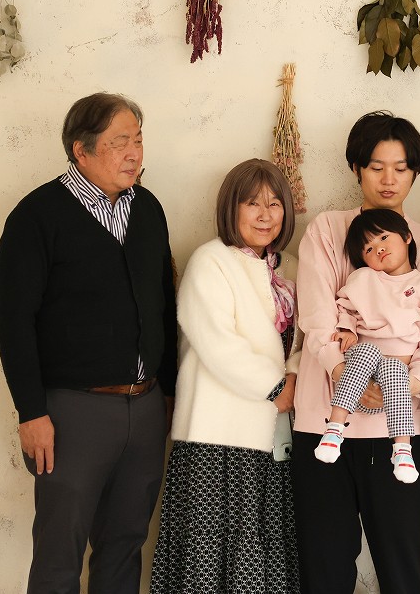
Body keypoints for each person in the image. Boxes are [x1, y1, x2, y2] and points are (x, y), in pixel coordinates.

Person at [0, 92, 177, 594]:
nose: (134, 153)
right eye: (120, 142)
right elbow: (13, 321)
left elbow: (165, 303)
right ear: (81, 150)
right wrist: (31, 412)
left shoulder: (148, 209)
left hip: (145, 408)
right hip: (71, 413)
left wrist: (167, 391)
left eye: (138, 140)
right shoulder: (37, 216)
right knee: (60, 554)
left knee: (125, 546)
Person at [292, 111, 420, 594]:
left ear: (415, 172)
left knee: (405, 569)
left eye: (400, 168)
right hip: (325, 422)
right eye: (376, 166)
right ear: (356, 168)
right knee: (325, 569)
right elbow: (317, 317)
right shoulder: (326, 229)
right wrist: (347, 374)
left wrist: (412, 382)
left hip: (399, 430)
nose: (388, 179)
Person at [149, 158, 301, 594]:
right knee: (208, 560)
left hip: (273, 436)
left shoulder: (290, 267)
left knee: (262, 555)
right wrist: (276, 387)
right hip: (216, 438)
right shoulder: (210, 260)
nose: (265, 214)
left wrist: (293, 377)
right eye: (252, 203)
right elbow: (216, 340)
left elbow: (306, 337)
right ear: (230, 208)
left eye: (274, 203)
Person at [315, 209, 420, 484]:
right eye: (368, 248)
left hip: (396, 384)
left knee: (394, 369)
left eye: (384, 238)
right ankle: (334, 429)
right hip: (359, 379)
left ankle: (402, 450)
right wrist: (347, 330)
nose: (378, 248)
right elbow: (345, 309)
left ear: (407, 237)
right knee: (367, 351)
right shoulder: (363, 279)